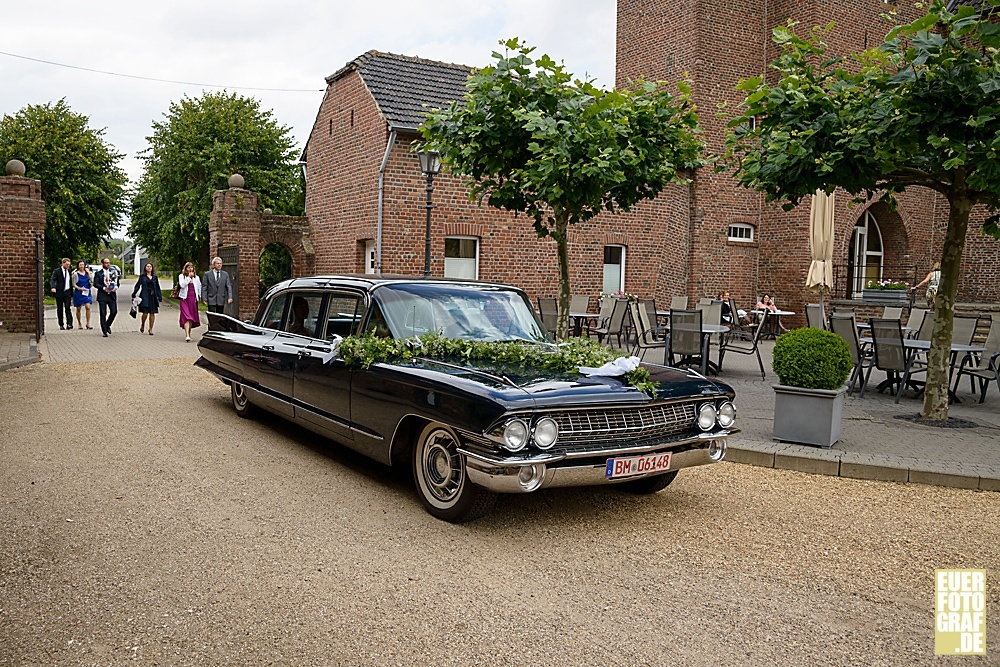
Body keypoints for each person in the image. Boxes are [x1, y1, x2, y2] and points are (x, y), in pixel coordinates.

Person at [131, 262, 162, 335]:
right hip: (145, 296)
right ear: (145, 268)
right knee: (145, 312)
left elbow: (157, 287)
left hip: (153, 296)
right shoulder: (142, 277)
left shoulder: (155, 277)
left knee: (152, 312)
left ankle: (151, 329)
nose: (149, 268)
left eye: (150, 266)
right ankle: (142, 324)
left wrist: (159, 296)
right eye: (147, 266)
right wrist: (134, 294)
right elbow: (137, 286)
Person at [93, 258, 120, 337]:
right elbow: (95, 283)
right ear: (103, 264)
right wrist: (103, 288)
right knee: (103, 313)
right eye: (106, 263)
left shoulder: (113, 273)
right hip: (103, 295)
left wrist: (116, 287)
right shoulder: (98, 273)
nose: (108, 264)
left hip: (112, 295)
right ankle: (104, 330)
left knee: (114, 311)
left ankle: (107, 325)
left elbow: (117, 282)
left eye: (109, 263)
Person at [178, 262, 202, 342]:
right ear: (185, 268)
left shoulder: (196, 278)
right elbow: (182, 285)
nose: (190, 269)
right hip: (184, 298)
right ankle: (187, 335)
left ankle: (188, 334)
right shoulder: (181, 276)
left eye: (191, 267)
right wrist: (188, 278)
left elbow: (199, 288)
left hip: (193, 299)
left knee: (191, 317)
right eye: (188, 267)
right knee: (186, 316)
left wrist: (201, 298)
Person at [49, 257, 74, 329]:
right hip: (60, 292)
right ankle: (61, 324)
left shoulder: (69, 271)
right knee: (60, 309)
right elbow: (53, 279)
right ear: (63, 263)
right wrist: (53, 287)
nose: (68, 266)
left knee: (67, 308)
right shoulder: (57, 271)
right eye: (66, 264)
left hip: (67, 292)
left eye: (69, 265)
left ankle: (69, 323)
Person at [71, 260, 94, 330]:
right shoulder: (75, 274)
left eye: (83, 265)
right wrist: (79, 288)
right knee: (78, 308)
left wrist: (89, 273)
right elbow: (73, 284)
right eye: (80, 265)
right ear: (78, 266)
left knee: (88, 307)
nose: (81, 266)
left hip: (86, 292)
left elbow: (92, 280)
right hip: (79, 292)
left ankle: (88, 323)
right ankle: (79, 323)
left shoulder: (87, 273)